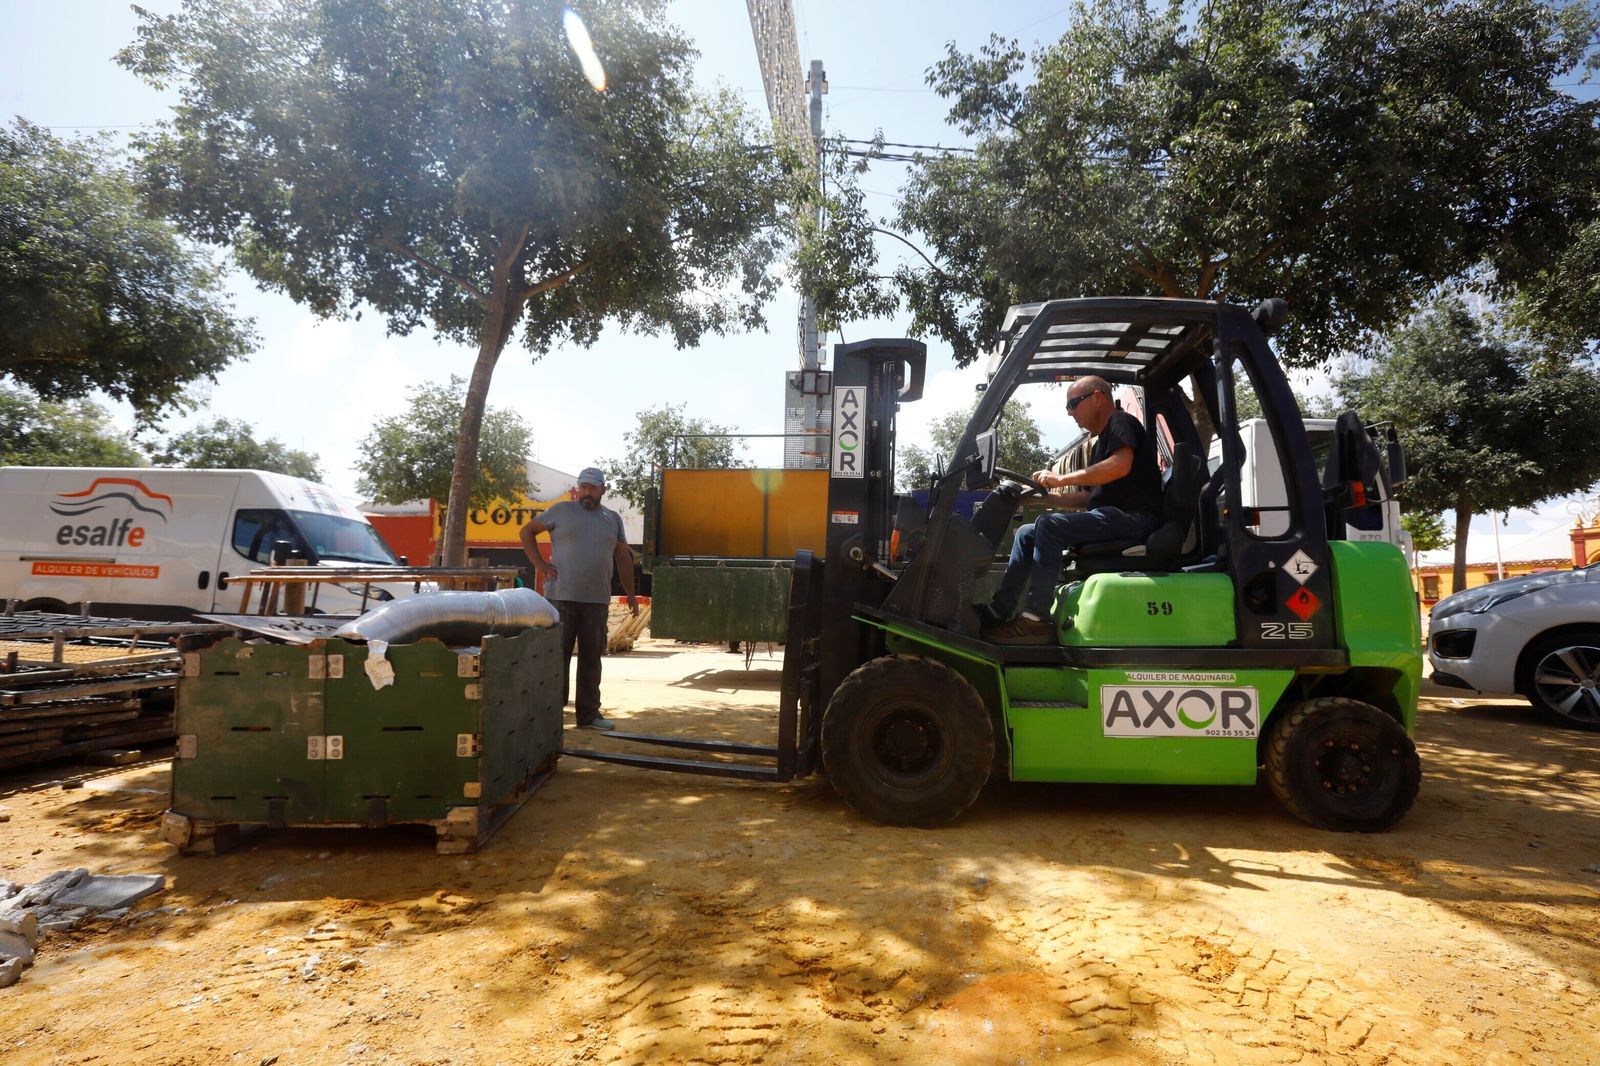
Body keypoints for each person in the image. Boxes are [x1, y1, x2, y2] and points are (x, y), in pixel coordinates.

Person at [986, 375, 1162, 643]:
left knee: (1049, 524)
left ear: (1098, 397)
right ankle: (998, 612)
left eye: (1073, 404)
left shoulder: (1120, 422)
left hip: (1134, 519)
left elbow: (1120, 466)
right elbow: (1088, 498)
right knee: (1026, 532)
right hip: (1110, 517)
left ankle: (1034, 619)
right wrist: (1040, 498)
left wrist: (1062, 479)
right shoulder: (1100, 441)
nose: (1070, 412)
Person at [519, 466, 638, 730]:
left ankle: (589, 715)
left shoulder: (613, 519)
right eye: (583, 486)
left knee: (591, 658)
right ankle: (552, 714)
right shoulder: (561, 511)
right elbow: (527, 532)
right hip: (560, 599)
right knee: (556, 657)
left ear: (602, 490)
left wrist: (630, 594)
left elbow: (622, 557)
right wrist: (539, 564)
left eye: (592, 488)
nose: (587, 492)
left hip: (596, 601)